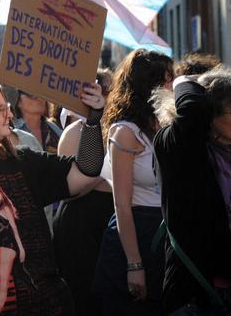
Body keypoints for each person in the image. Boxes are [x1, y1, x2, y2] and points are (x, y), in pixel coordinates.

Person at [0, 74, 106, 315]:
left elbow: (86, 172)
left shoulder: (23, 161)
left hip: (48, 304)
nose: (9, 114)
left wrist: (92, 121)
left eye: (7, 106)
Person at [94, 49, 173, 316]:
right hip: (136, 234)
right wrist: (134, 264)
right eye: (167, 79)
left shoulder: (166, 123)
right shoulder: (126, 132)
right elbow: (121, 204)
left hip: (165, 233)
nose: (172, 85)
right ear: (149, 84)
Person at [154, 69, 231, 315]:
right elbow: (192, 111)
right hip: (195, 296)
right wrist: (184, 81)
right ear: (209, 114)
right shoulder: (175, 144)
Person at [52, 80, 117, 316]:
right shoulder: (74, 132)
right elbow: (71, 188)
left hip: (108, 218)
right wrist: (106, 172)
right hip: (81, 224)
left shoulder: (118, 129)